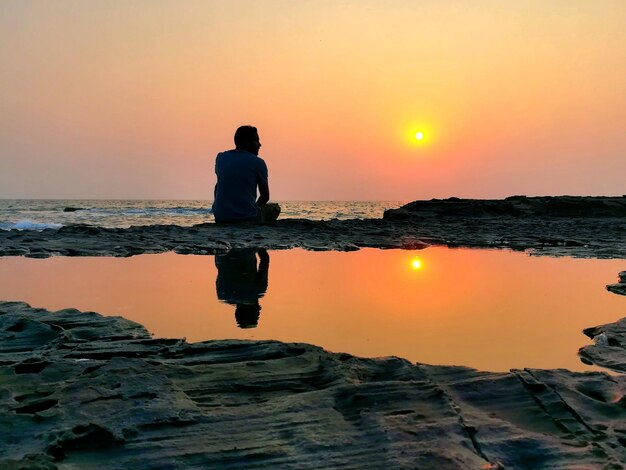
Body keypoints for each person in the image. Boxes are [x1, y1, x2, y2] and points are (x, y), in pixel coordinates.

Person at [212, 126, 281, 223]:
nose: (260, 145)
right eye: (256, 141)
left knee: (218, 185)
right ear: (247, 142)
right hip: (248, 218)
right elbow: (265, 196)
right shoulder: (259, 163)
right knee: (275, 208)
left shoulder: (221, 157)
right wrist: (254, 207)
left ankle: (225, 211)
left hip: (221, 217)